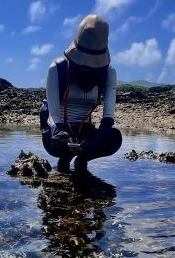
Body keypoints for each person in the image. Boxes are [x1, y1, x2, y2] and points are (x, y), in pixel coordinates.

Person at [40, 14, 122, 173]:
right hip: (57, 127)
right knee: (57, 144)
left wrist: (90, 145)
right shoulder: (57, 69)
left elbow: (108, 119)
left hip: (84, 129)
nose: (88, 68)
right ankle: (64, 159)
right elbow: (53, 114)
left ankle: (82, 160)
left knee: (114, 139)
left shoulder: (109, 74)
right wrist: (61, 134)